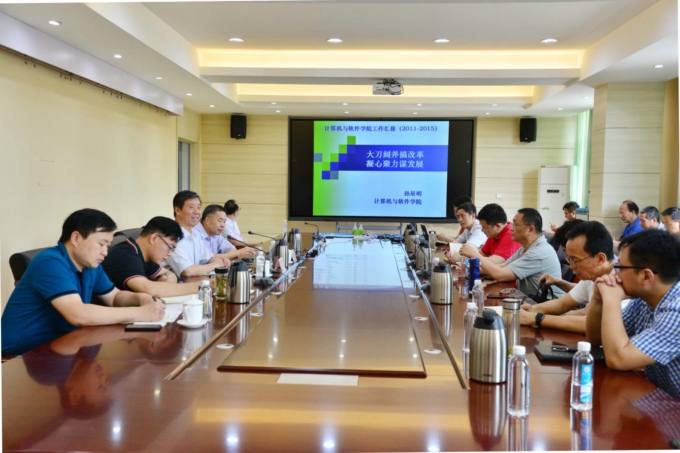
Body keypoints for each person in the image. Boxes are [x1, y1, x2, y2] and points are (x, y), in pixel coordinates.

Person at [1, 209, 165, 356]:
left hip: (62, 346)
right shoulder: (50, 263)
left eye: (108, 246)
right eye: (101, 244)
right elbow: (78, 314)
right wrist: (141, 313)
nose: (105, 252)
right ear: (76, 238)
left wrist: (141, 298)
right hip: (19, 356)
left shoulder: (91, 266)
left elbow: (114, 297)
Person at [586, 229, 680, 400]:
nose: (615, 274)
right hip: (660, 400)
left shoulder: (677, 311)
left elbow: (618, 359)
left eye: (619, 267)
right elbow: (596, 337)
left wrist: (612, 298)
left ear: (646, 276)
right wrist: (598, 300)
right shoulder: (644, 299)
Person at [520, 221, 615, 334]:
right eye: (569, 259)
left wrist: (535, 318)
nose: (571, 266)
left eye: (575, 260)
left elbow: (592, 324)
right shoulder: (592, 276)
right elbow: (561, 304)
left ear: (600, 259)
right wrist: (530, 310)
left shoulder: (619, 280)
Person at [472, 208, 565, 299]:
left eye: (515, 225)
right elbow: (502, 266)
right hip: (531, 301)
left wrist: (475, 255)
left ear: (530, 229)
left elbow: (500, 275)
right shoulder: (525, 248)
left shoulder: (538, 252)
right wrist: (472, 268)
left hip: (548, 304)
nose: (511, 229)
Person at [102, 216, 201, 297]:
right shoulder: (125, 255)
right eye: (170, 247)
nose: (170, 253)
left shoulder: (145, 256)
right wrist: (197, 287)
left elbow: (171, 275)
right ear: (154, 238)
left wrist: (162, 279)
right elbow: (148, 289)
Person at [166, 191, 231, 278]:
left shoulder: (194, 234)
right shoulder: (171, 236)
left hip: (195, 282)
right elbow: (187, 271)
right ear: (177, 210)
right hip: (177, 284)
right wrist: (215, 265)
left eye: (199, 207)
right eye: (191, 207)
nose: (197, 212)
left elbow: (209, 258)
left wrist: (222, 260)